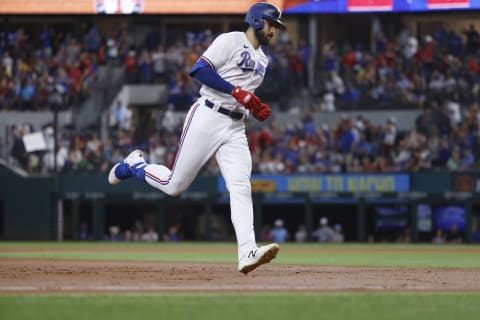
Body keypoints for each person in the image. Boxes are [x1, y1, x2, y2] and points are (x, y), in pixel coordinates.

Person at [108, 2, 286, 274]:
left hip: (236, 127)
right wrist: (237, 92)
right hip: (208, 116)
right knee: (174, 185)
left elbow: (242, 94)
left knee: (240, 187)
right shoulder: (231, 40)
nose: (275, 31)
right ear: (258, 21)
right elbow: (199, 70)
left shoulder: (264, 60)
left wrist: (252, 105)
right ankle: (134, 166)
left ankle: (247, 251)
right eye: (273, 24)